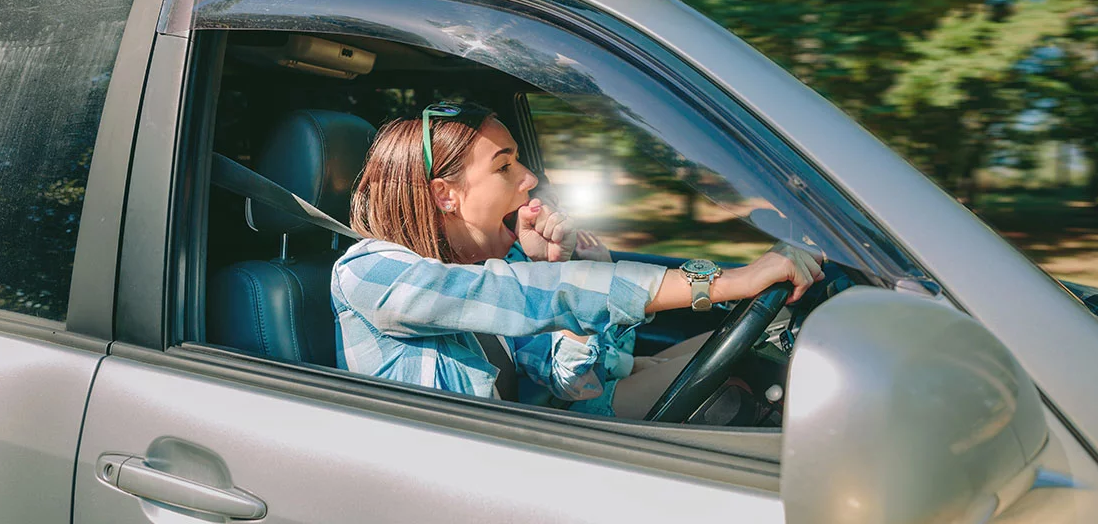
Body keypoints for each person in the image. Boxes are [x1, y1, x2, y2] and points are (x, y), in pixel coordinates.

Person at [332, 102, 823, 418]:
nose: (528, 180)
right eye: (505, 166)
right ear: (445, 196)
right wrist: (729, 279)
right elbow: (521, 295)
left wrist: (549, 267)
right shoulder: (370, 272)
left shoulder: (476, 275)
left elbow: (571, 379)